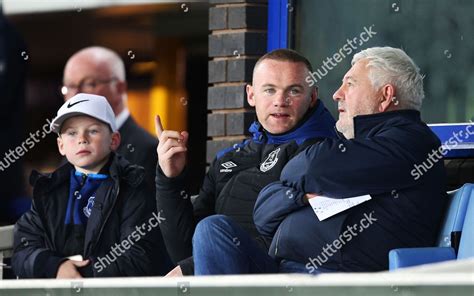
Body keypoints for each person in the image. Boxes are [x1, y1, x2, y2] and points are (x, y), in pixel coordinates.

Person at [193, 46, 447, 274]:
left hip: (338, 279)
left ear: (385, 95)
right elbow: (263, 213)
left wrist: (294, 188)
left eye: (350, 83)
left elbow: (311, 165)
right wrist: (299, 196)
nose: (337, 94)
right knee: (213, 230)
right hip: (289, 270)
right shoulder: (363, 145)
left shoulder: (412, 142)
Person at [155, 49, 337, 276]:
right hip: (222, 282)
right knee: (208, 229)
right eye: (269, 90)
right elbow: (184, 248)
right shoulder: (227, 159)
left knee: (213, 228)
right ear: (251, 95)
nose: (280, 101)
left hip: (283, 282)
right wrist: (170, 179)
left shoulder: (324, 153)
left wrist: (190, 267)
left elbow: (298, 243)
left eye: (294, 90)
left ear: (312, 98)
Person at [12, 93, 172, 278]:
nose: (82, 138)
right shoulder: (49, 192)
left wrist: (80, 275)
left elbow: (139, 255)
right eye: (72, 133)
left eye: (93, 131)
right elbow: (24, 248)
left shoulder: (132, 187)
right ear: (61, 145)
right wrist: (54, 267)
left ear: (114, 140)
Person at [62, 46, 157, 190]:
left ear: (119, 88)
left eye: (89, 83)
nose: (76, 95)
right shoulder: (69, 146)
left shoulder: (149, 151)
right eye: (69, 87)